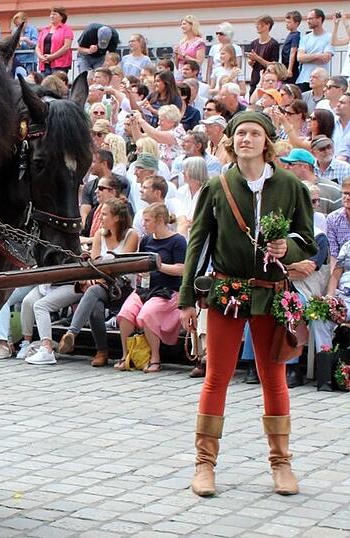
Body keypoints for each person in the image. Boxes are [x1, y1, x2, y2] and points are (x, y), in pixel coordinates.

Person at [179, 111, 315, 498]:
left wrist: (289, 246)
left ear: (267, 141)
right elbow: (197, 243)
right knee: (216, 377)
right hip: (227, 293)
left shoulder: (290, 185)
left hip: (271, 293)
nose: (246, 139)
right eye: (240, 133)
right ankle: (204, 466)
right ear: (231, 140)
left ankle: (281, 463)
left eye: (254, 133)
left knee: (273, 378)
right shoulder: (218, 185)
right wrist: (188, 297)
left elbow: (308, 238)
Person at [57, 197, 139, 366]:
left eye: (104, 214)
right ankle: (98, 350)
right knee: (95, 304)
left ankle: (80, 337)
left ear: (116, 218)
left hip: (122, 288)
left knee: (93, 291)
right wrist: (96, 275)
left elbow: (121, 266)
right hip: (102, 286)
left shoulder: (131, 235)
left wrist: (100, 274)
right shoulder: (99, 236)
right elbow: (94, 266)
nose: (100, 218)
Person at [116, 203, 186, 372]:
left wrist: (158, 266)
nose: (144, 224)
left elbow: (182, 269)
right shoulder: (147, 240)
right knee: (125, 312)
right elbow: (141, 263)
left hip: (168, 291)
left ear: (160, 220)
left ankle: (155, 358)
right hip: (146, 288)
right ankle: (126, 355)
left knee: (148, 313)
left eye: (147, 220)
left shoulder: (177, 241)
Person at [280, 147, 341, 214]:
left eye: (290, 164)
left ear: (304, 166)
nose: (286, 167)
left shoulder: (333, 189)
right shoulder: (286, 188)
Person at [296, 9, 334, 91]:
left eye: (311, 18)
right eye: (307, 19)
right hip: (303, 79)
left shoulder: (329, 37)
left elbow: (325, 59)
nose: (308, 21)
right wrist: (319, 55)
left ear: (319, 19)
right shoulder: (305, 38)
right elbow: (299, 58)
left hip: (320, 80)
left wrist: (307, 58)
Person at [248, 15, 281, 92]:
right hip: (255, 79)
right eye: (257, 24)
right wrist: (251, 62)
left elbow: (273, 65)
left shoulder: (274, 44)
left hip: (268, 81)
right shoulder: (254, 43)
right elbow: (253, 64)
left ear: (267, 25)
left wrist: (257, 58)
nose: (257, 26)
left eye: (260, 24)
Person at [37, 6, 73, 75]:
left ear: (62, 17)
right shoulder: (45, 29)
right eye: (51, 14)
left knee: (57, 84)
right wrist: (41, 57)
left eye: (55, 14)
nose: (51, 16)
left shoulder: (66, 29)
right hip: (45, 64)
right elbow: (38, 46)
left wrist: (52, 56)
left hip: (60, 64)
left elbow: (66, 46)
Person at [11, 12, 38, 77]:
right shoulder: (15, 30)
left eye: (20, 25)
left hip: (29, 60)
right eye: (16, 25)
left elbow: (35, 44)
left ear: (25, 22)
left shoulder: (32, 29)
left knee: (30, 80)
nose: (18, 27)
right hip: (18, 61)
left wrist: (25, 39)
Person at [281, 11, 303, 85]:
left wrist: (289, 69)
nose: (286, 25)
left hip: (291, 68)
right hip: (285, 66)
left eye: (289, 22)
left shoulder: (296, 35)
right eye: (286, 22)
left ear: (296, 23)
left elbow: (293, 52)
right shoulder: (290, 34)